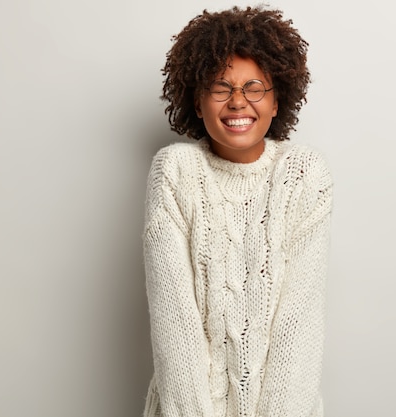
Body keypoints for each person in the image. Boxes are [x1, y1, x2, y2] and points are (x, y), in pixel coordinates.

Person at [142, 6, 333, 417]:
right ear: (197, 100)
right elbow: (175, 325)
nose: (238, 102)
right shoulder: (174, 172)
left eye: (254, 87)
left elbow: (298, 326)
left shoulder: (304, 174)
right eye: (220, 87)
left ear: (278, 99)